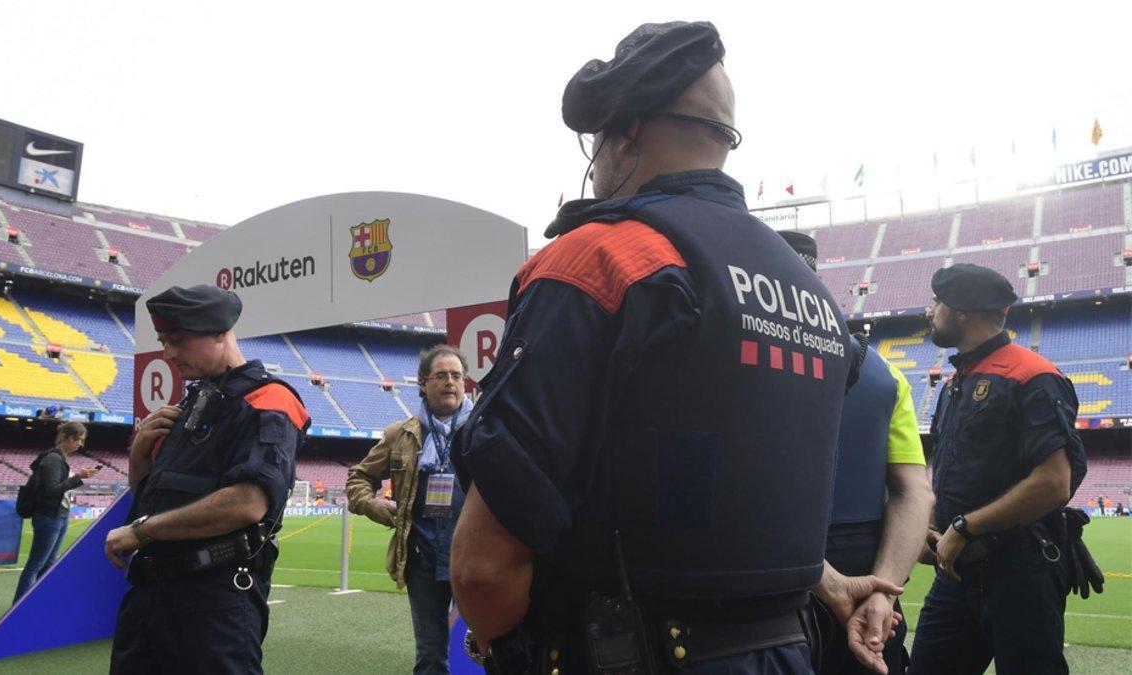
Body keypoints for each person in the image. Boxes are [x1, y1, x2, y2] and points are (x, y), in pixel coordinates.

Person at [449, 21, 899, 675]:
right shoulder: (811, 293)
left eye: (596, 137)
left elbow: (483, 566)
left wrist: (509, 652)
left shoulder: (598, 258)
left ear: (626, 130)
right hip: (786, 648)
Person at [105, 285, 309, 675]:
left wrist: (143, 532)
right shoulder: (191, 401)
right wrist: (138, 454)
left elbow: (247, 503)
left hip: (214, 602)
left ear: (220, 332)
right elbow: (148, 497)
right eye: (164, 341)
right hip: (150, 597)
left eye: (177, 340)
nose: (168, 353)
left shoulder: (269, 400)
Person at [909, 263, 1087, 675]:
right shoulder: (956, 382)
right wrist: (934, 527)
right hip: (957, 572)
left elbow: (1054, 482)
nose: (929, 309)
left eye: (937, 300)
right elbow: (960, 470)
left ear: (963, 310)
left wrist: (965, 527)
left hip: (1021, 572)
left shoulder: (1032, 375)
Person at [782, 231, 934, 675]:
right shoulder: (886, 375)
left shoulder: (735, 357)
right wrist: (883, 591)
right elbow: (915, 493)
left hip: (775, 581)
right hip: (869, 575)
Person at [345, 345, 473, 675]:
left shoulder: (483, 430)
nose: (450, 382)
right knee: (430, 655)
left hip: (474, 560)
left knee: (476, 652)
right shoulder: (400, 434)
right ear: (423, 383)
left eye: (456, 376)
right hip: (422, 559)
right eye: (441, 375)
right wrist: (370, 503)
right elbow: (358, 476)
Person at [12, 421, 99, 602]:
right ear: (67, 438)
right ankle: (19, 606)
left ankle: (36, 601)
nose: (80, 445)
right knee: (36, 565)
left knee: (49, 562)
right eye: (78, 440)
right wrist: (78, 478)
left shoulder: (59, 458)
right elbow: (52, 490)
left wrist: (78, 478)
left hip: (58, 515)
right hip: (48, 516)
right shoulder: (53, 459)